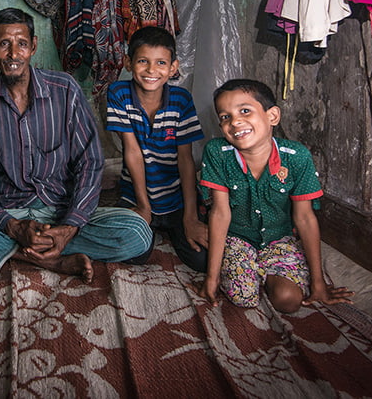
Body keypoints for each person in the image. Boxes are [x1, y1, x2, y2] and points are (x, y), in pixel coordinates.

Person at [0, 8, 153, 282]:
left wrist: (70, 226)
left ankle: (17, 251)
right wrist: (11, 225)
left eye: (22, 44)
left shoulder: (65, 89)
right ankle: (51, 260)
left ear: (34, 46)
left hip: (60, 210)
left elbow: (90, 162)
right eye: (4, 44)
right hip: (8, 214)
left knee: (137, 232)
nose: (13, 54)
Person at [198, 78, 353, 312]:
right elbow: (220, 213)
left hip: (279, 239)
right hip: (238, 238)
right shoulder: (218, 152)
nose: (235, 121)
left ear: (272, 116)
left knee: (288, 300)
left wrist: (318, 282)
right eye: (225, 116)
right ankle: (253, 272)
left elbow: (304, 218)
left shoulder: (296, 156)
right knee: (243, 298)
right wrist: (212, 278)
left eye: (245, 111)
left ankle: (268, 272)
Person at [106, 26, 207, 272]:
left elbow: (185, 160)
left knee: (202, 260)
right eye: (143, 61)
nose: (152, 70)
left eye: (161, 62)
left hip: (176, 197)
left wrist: (191, 217)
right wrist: (143, 206)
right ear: (128, 63)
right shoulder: (119, 93)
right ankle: (142, 218)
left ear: (173, 68)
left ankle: (177, 220)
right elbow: (132, 151)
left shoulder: (181, 100)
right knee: (134, 253)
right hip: (135, 194)